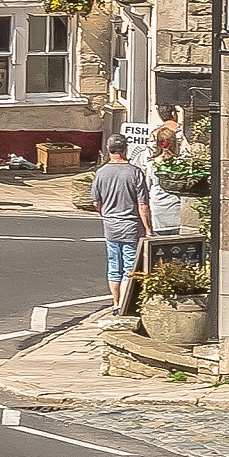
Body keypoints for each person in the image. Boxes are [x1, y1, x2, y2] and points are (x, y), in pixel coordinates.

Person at [90, 136, 153, 322]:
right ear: (125, 149)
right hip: (131, 226)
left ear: (108, 149)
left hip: (110, 226)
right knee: (129, 267)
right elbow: (143, 205)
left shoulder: (101, 173)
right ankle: (125, 306)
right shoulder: (135, 173)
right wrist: (148, 229)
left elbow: (96, 202)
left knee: (114, 266)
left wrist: (106, 214)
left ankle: (116, 303)